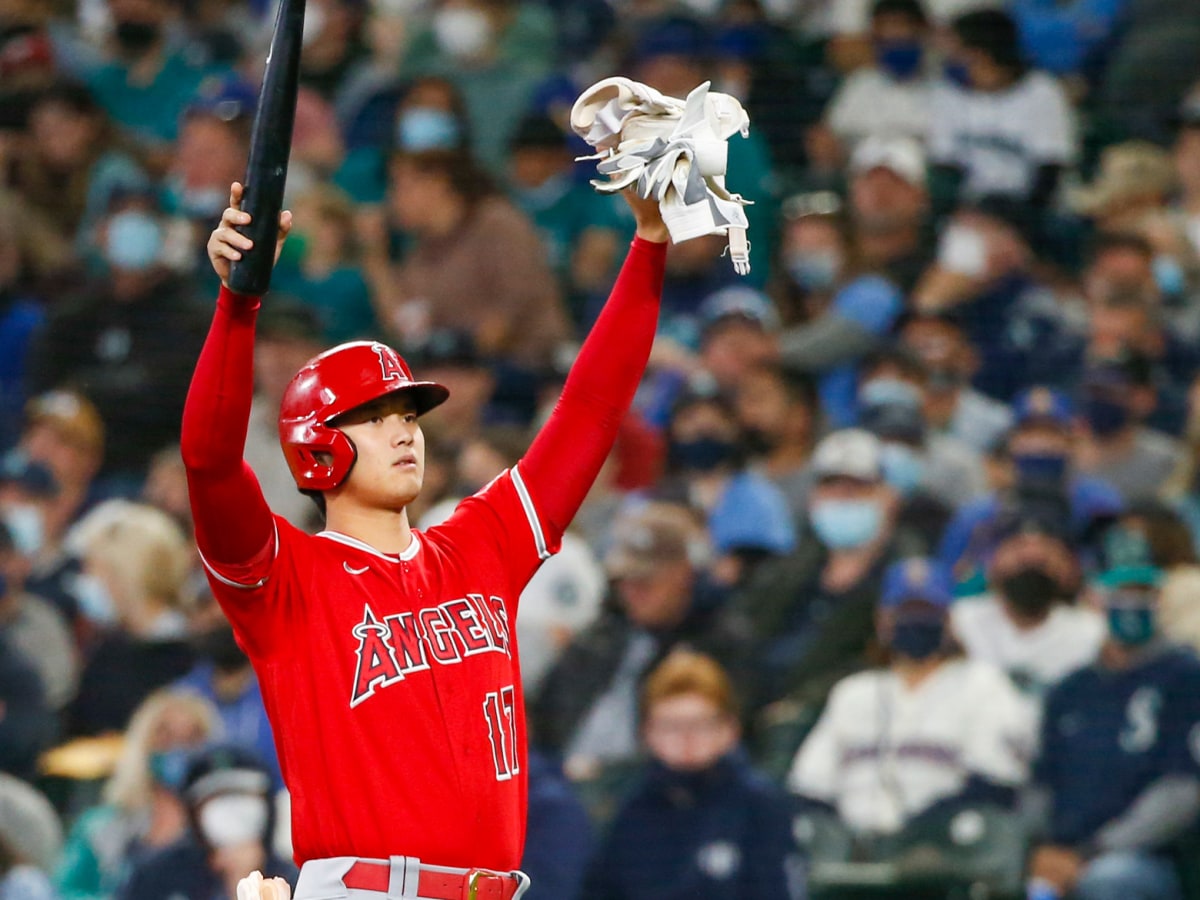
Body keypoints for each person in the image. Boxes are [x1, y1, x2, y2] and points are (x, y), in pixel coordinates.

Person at [183, 180, 670, 897]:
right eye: (374, 416)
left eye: (407, 413)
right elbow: (209, 460)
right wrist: (238, 304)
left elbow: (592, 410)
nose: (403, 429)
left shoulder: (479, 544)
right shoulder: (286, 579)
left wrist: (649, 242)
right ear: (317, 449)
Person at [788, 558, 1036, 837]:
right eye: (904, 611)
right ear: (882, 619)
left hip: (944, 853)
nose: (915, 620)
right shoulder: (853, 693)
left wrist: (917, 833)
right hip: (851, 855)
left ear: (948, 619)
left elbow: (996, 784)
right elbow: (809, 788)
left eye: (926, 610)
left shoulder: (983, 685)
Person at [1026, 558, 1200, 900]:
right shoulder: (1069, 689)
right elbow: (1040, 784)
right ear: (1097, 601)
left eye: (1143, 595)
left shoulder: (1186, 677)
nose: (1132, 606)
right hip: (1059, 852)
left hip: (1145, 854)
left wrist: (1091, 851)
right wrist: (1042, 848)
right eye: (1121, 594)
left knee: (1108, 881)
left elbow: (1181, 793)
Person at [583, 650, 803, 900]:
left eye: (700, 724)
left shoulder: (760, 806)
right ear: (647, 733)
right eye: (671, 726)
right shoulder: (630, 806)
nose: (686, 739)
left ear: (729, 729)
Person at [55, 688, 220, 900]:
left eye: (191, 737)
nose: (176, 747)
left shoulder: (219, 831)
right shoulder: (101, 827)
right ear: (144, 742)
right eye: (165, 733)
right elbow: (62, 891)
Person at [118, 744, 297, 900]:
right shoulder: (156, 877)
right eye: (216, 799)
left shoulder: (296, 881)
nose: (231, 812)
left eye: (241, 795)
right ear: (194, 812)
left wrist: (245, 880)